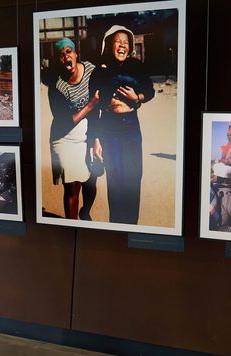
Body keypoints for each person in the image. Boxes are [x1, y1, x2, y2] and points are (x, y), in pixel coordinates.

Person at [91, 25, 155, 224]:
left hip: (131, 128)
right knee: (115, 179)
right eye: (118, 42)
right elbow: (93, 107)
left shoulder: (137, 66)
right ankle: (117, 226)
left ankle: (131, 227)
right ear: (110, 44)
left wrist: (138, 97)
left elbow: (150, 91)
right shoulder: (99, 71)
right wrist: (95, 140)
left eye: (126, 42)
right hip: (109, 128)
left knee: (133, 178)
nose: (122, 46)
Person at [42, 37, 100, 220]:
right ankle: (72, 228)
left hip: (87, 130)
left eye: (69, 51)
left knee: (90, 181)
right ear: (58, 61)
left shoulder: (91, 71)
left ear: (76, 54)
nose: (66, 56)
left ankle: (85, 211)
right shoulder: (57, 85)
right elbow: (65, 120)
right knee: (72, 187)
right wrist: (90, 105)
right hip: (64, 136)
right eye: (61, 55)